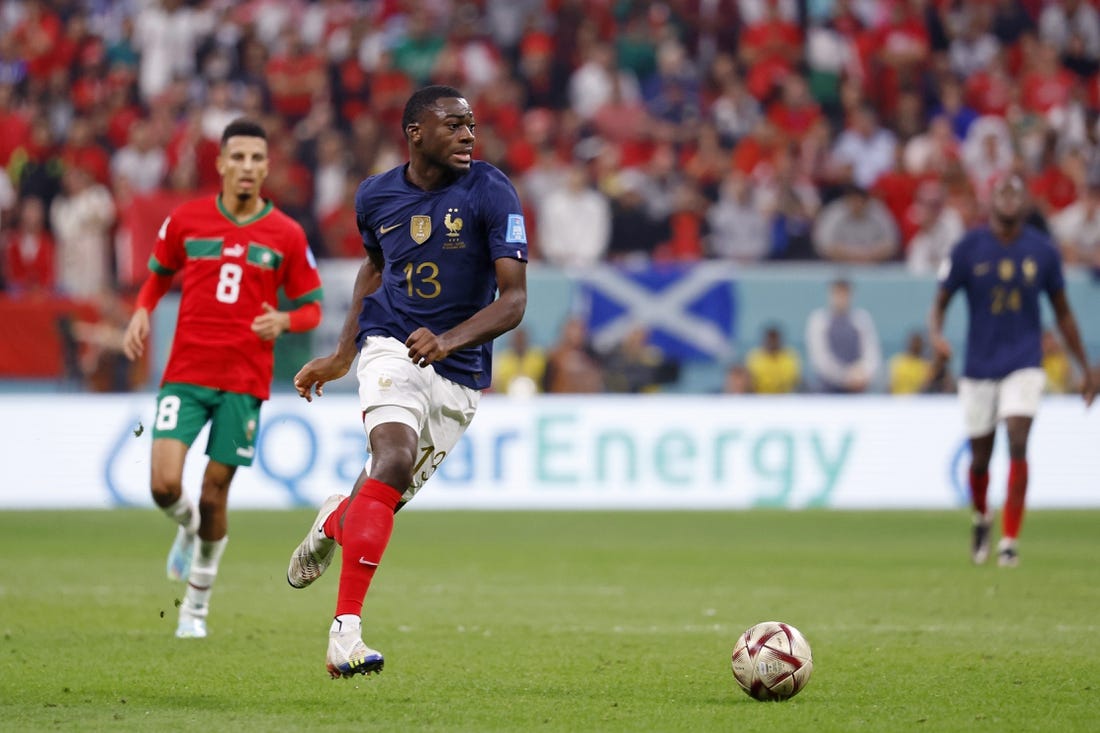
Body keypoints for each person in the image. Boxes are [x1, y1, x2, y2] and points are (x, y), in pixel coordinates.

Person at [287, 86, 528, 679]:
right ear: (415, 132)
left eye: (472, 125)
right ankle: (346, 635)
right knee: (390, 458)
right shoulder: (375, 195)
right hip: (391, 343)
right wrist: (345, 353)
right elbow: (375, 269)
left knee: (378, 504)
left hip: (459, 374)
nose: (469, 135)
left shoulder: (492, 190)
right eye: (453, 125)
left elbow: (515, 299)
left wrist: (448, 340)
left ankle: (333, 520)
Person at [122, 118, 324, 639]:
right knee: (164, 485)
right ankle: (188, 531)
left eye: (257, 159)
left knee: (215, 494)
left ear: (266, 167)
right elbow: (158, 275)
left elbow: (312, 308)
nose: (247, 168)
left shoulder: (285, 233)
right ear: (221, 163)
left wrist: (283, 320)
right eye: (238, 158)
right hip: (186, 373)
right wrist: (142, 310)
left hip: (245, 381)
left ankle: (195, 609)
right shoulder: (187, 220)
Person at [929, 172, 1095, 568]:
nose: (1008, 198)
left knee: (1018, 439)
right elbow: (940, 301)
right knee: (981, 458)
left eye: (1015, 193)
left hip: (1024, 361)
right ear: (991, 200)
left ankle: (1009, 540)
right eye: (1002, 191)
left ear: (1024, 203)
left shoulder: (1042, 251)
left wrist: (1085, 366)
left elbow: (1063, 313)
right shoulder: (968, 248)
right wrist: (936, 334)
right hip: (979, 365)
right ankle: (982, 517)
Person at [805, 278, 882, 393]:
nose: (841, 297)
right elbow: (820, 360)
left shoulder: (861, 319)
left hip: (858, 388)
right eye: (838, 293)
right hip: (827, 391)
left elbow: (871, 353)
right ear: (830, 294)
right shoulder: (819, 320)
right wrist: (845, 377)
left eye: (845, 293)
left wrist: (863, 373)